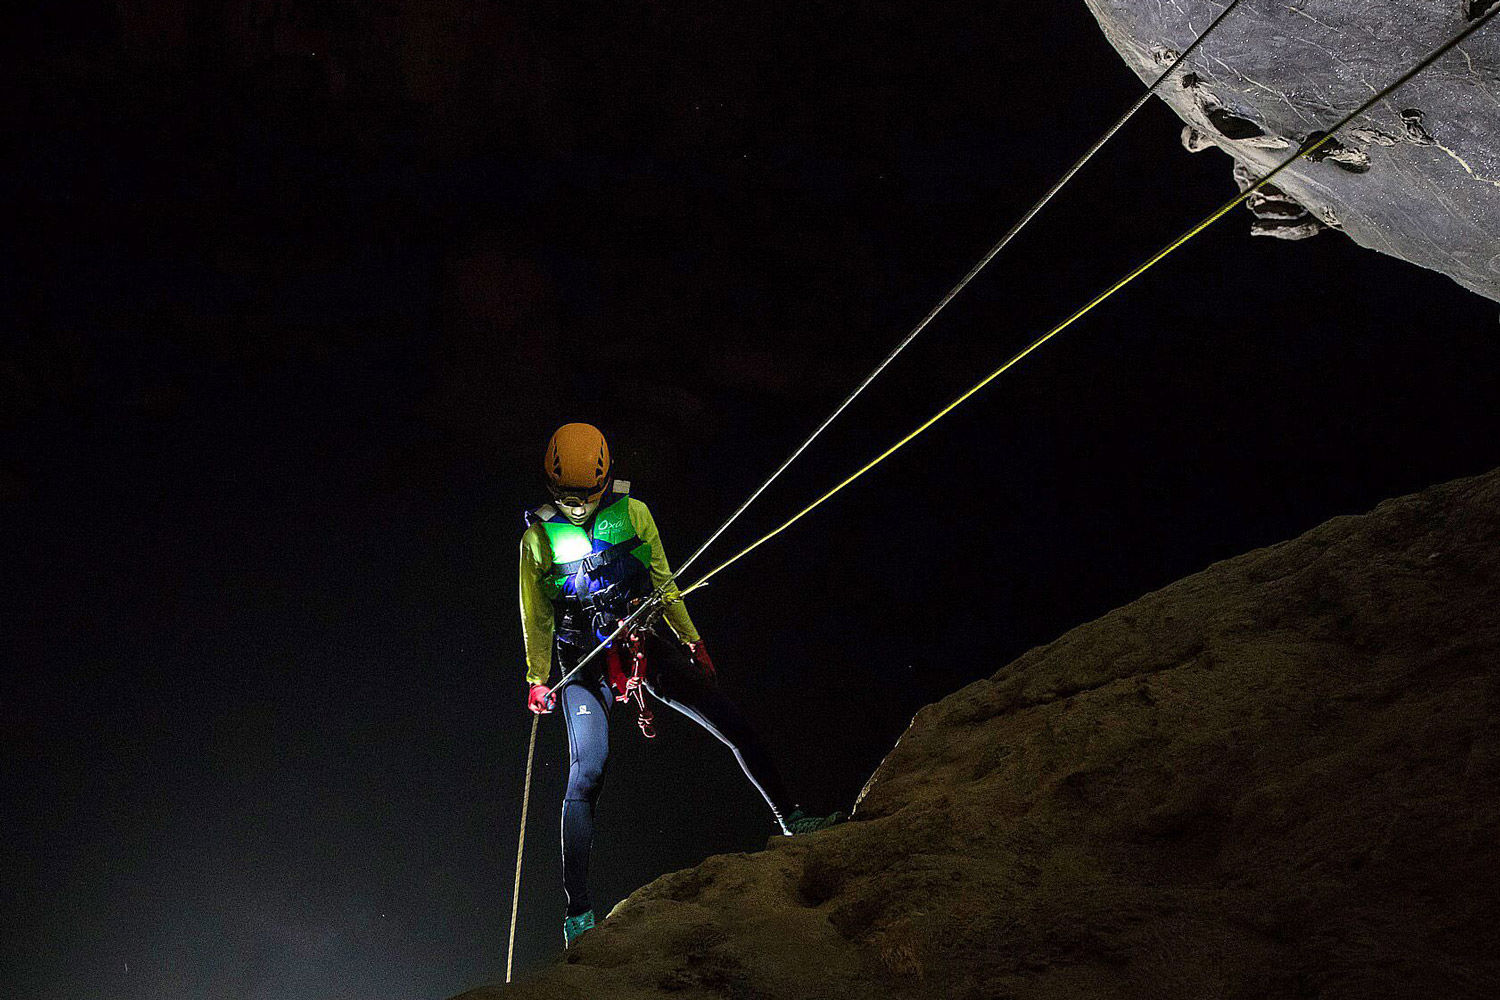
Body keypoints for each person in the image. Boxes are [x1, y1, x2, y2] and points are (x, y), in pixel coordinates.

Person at [519, 422, 843, 947]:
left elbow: (665, 582)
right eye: (567, 498)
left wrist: (691, 640)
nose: (576, 508)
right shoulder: (537, 539)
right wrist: (537, 678)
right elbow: (535, 614)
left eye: (586, 497)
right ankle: (578, 914)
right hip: (583, 663)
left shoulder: (635, 514)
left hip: (642, 642)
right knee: (588, 770)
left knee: (729, 719)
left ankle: (793, 819)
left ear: (605, 481)